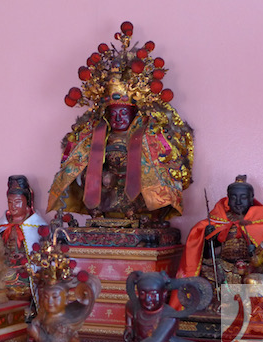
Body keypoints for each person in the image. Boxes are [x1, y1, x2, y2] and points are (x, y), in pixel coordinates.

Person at [46, 21, 194, 223]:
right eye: (113, 113)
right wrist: (95, 175)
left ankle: (140, 215)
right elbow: (81, 163)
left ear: (134, 112)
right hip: (106, 188)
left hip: (135, 191)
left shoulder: (149, 134)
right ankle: (100, 214)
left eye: (124, 112)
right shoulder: (97, 134)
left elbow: (163, 166)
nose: (118, 118)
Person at [174, 176, 263, 308]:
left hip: (250, 266)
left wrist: (255, 252)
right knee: (203, 275)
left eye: (243, 197)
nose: (238, 202)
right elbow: (207, 252)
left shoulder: (262, 221)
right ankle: (215, 303)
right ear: (228, 199)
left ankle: (252, 307)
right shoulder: (220, 220)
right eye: (233, 197)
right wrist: (209, 238)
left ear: (251, 198)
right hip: (223, 265)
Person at [0, 175, 48, 299]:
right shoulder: (3, 224)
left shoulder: (36, 225)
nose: (13, 206)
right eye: (10, 202)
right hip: (7, 265)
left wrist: (24, 257)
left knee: (16, 277)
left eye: (18, 202)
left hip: (23, 268)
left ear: (27, 204)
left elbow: (39, 255)